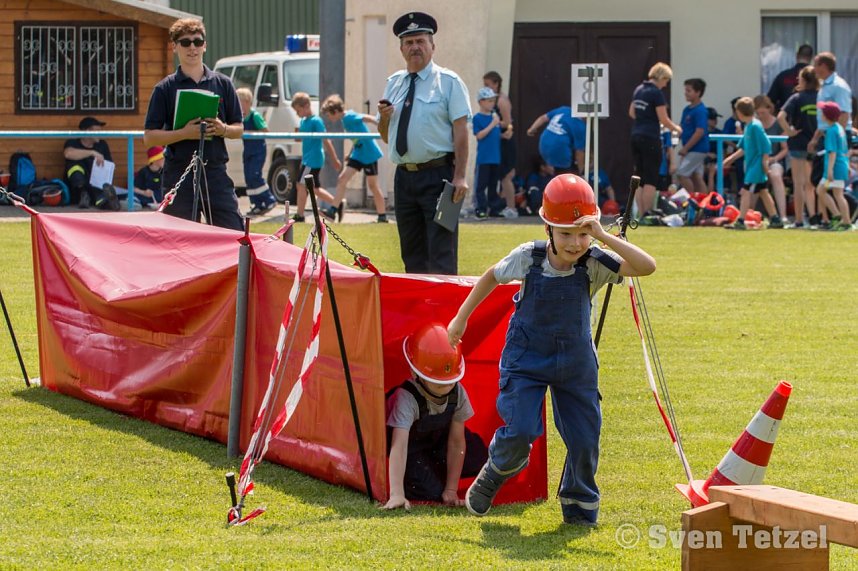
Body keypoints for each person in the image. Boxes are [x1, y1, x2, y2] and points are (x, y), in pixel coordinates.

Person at [447, 174, 656, 525]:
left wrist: (603, 236)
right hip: (526, 360)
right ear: (547, 229)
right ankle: (500, 466)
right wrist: (460, 319)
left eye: (582, 233)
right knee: (522, 430)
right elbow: (490, 276)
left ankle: (579, 505)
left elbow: (646, 267)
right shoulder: (528, 257)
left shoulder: (595, 260)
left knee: (585, 439)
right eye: (565, 234)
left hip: (576, 365)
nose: (576, 243)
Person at [378, 12, 470, 275]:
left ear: (432, 45)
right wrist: (384, 120)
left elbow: (461, 132)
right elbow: (387, 136)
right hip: (405, 178)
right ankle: (418, 314)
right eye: (409, 42)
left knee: (442, 253)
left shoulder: (449, 82)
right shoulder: (394, 83)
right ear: (401, 48)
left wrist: (460, 176)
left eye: (420, 41)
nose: (414, 47)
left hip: (440, 177)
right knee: (412, 253)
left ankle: (446, 314)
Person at [143, 18, 244, 230]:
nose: (192, 48)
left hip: (215, 172)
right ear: (174, 46)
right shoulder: (164, 88)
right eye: (185, 42)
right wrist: (184, 133)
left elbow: (239, 128)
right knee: (179, 241)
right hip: (179, 173)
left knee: (233, 235)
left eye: (198, 42)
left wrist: (222, 128)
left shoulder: (223, 83)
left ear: (205, 45)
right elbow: (149, 137)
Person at [384, 322, 488, 510]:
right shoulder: (406, 399)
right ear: (416, 374)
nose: (447, 388)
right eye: (439, 384)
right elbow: (398, 446)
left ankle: (434, 471)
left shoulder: (458, 393)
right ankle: (417, 477)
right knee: (431, 492)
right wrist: (396, 494)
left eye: (451, 382)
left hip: (437, 442)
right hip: (410, 448)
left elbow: (457, 442)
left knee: (482, 457)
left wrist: (451, 489)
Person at [320, 94, 389, 223]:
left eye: (329, 115)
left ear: (335, 111)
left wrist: (381, 123)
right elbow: (356, 136)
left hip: (369, 153)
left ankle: (382, 216)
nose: (328, 118)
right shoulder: (344, 120)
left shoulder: (349, 116)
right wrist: (350, 152)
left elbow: (366, 118)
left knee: (373, 186)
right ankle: (333, 211)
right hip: (358, 153)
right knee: (342, 179)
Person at [628, 62, 682, 216]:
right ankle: (647, 212)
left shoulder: (638, 90)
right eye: (666, 81)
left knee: (639, 176)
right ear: (662, 77)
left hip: (636, 136)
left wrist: (644, 118)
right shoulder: (656, 93)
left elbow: (632, 112)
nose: (665, 85)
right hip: (650, 137)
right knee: (651, 177)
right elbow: (663, 119)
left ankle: (639, 212)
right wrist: (676, 128)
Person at [722, 97, 782, 229]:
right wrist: (729, 159)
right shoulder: (748, 126)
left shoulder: (755, 126)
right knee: (763, 192)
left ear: (739, 112)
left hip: (756, 168)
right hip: (751, 167)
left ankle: (740, 221)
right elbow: (743, 148)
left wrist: (765, 164)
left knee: (745, 192)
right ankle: (775, 219)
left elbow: (766, 145)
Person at [291, 92, 342, 222]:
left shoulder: (316, 121)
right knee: (314, 189)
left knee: (300, 185)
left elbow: (326, 140)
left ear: (306, 106)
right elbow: (300, 139)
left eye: (298, 110)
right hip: (307, 158)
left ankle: (300, 215)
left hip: (313, 159)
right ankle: (337, 204)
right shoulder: (303, 121)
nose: (297, 114)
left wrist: (335, 159)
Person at [235, 87, 277, 217]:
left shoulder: (255, 116)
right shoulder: (240, 118)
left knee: (255, 175)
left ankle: (269, 200)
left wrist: (252, 133)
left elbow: (266, 131)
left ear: (247, 102)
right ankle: (257, 204)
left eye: (239, 102)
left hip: (257, 151)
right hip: (248, 151)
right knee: (248, 177)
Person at [64, 116, 119, 211]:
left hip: (95, 185)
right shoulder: (73, 142)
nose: (99, 134)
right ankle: (84, 195)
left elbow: (110, 165)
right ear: (87, 131)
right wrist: (92, 153)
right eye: (97, 131)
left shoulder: (102, 144)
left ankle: (108, 202)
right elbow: (68, 154)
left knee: (101, 196)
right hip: (78, 188)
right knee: (75, 167)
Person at [483, 71, 519, 219]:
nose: (485, 87)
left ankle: (512, 208)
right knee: (498, 175)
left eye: (487, 85)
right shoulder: (490, 100)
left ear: (496, 84)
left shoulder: (502, 100)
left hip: (505, 142)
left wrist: (493, 124)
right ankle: (498, 205)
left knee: (506, 176)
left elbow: (508, 122)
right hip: (496, 141)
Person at [815, 101, 852, 231]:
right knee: (836, 193)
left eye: (822, 112)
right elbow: (844, 150)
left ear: (826, 116)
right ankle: (842, 219)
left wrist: (830, 170)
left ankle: (841, 218)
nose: (820, 114)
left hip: (834, 169)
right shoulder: (839, 128)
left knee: (821, 190)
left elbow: (832, 152)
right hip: (841, 166)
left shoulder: (831, 131)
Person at [471, 86, 505, 220]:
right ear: (481, 102)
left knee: (493, 185)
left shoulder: (494, 117)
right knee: (481, 185)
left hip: (495, 158)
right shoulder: (478, 118)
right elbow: (479, 135)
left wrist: (504, 135)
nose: (492, 103)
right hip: (484, 159)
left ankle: (494, 208)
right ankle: (480, 209)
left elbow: (494, 135)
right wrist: (493, 124)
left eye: (493, 100)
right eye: (489, 100)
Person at [754, 95, 789, 222]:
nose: (760, 115)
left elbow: (785, 148)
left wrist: (773, 159)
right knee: (753, 178)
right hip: (759, 161)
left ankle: (783, 215)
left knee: (775, 175)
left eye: (763, 112)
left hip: (775, 159)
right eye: (758, 113)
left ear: (769, 109)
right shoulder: (755, 124)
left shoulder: (778, 124)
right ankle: (750, 213)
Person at [526, 106, 585, 176]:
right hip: (560, 149)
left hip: (543, 144)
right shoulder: (580, 126)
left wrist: (532, 129)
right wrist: (581, 172)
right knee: (564, 175)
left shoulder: (564, 109)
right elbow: (579, 153)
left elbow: (543, 118)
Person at [676, 78, 710, 197]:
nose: (686, 93)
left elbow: (699, 132)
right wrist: (673, 143)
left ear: (698, 92)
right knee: (696, 177)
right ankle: (705, 204)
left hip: (697, 149)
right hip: (692, 149)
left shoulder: (700, 110)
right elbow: (681, 129)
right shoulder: (687, 109)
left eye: (689, 90)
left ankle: (691, 201)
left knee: (682, 174)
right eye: (685, 90)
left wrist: (686, 148)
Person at [767, 44, 814, 112]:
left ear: (797, 56)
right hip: (810, 119)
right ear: (811, 58)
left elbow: (770, 101)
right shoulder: (816, 78)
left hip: (785, 118)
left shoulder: (783, 76)